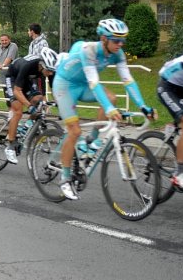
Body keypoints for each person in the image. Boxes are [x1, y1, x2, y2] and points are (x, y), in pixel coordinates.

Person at [53, 19, 156, 200]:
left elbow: (128, 80)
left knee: (112, 98)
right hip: (65, 85)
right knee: (74, 131)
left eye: (123, 40)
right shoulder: (88, 50)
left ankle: (91, 140)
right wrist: (108, 109)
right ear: (103, 38)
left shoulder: (118, 53)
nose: (120, 44)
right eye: (116, 40)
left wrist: (143, 106)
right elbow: (94, 82)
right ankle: (65, 177)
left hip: (82, 84)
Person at [2, 47, 58, 164]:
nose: (51, 73)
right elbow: (17, 91)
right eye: (49, 71)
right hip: (13, 76)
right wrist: (29, 106)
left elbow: (54, 89)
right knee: (18, 110)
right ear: (41, 65)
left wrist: (58, 102)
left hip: (28, 79)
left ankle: (25, 127)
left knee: (39, 100)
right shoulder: (28, 66)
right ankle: (10, 146)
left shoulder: (50, 68)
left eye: (52, 71)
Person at [156, 54, 183, 190]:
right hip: (168, 87)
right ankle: (179, 173)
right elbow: (163, 72)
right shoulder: (182, 62)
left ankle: (174, 127)